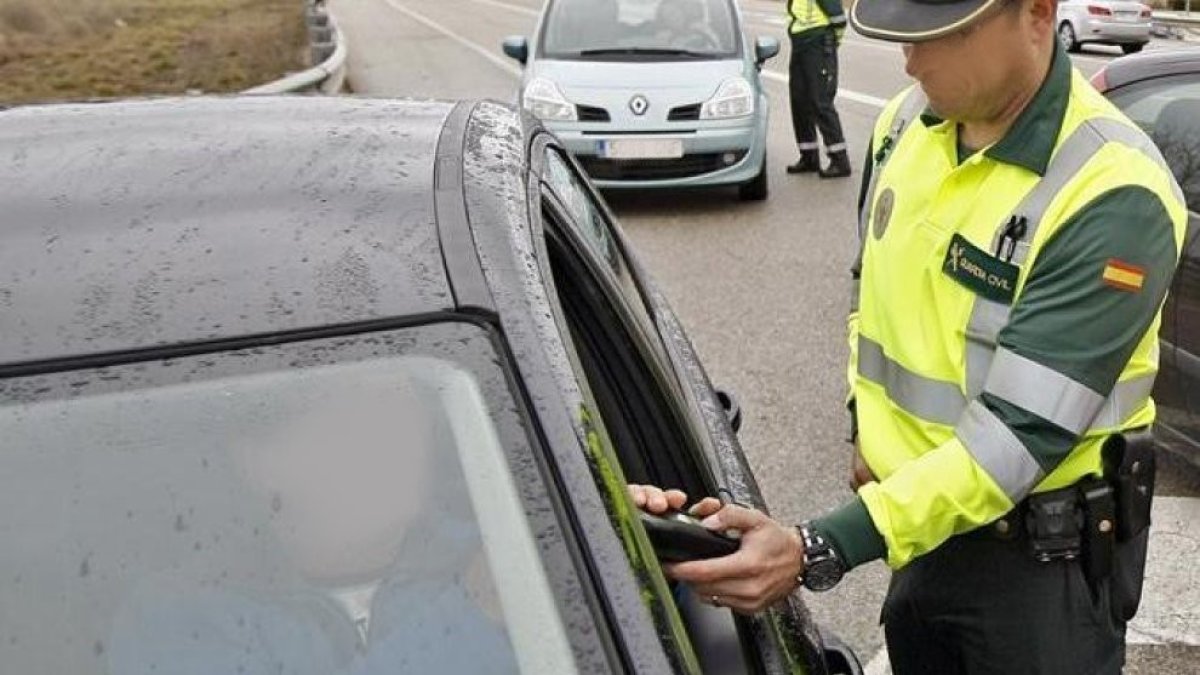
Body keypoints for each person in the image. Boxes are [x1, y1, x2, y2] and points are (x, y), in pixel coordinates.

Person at [632, 0, 1188, 672]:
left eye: (942, 36)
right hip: (919, 537)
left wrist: (819, 544)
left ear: (1038, 13)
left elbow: (1019, 435)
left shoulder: (1112, 189)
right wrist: (864, 428)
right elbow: (871, 295)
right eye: (902, 36)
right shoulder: (903, 125)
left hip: (1038, 576)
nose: (912, 58)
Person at [784, 0, 852, 178]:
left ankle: (839, 160)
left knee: (820, 101)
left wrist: (831, 41)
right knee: (799, 100)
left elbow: (838, 18)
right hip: (800, 41)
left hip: (818, 40)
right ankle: (808, 156)